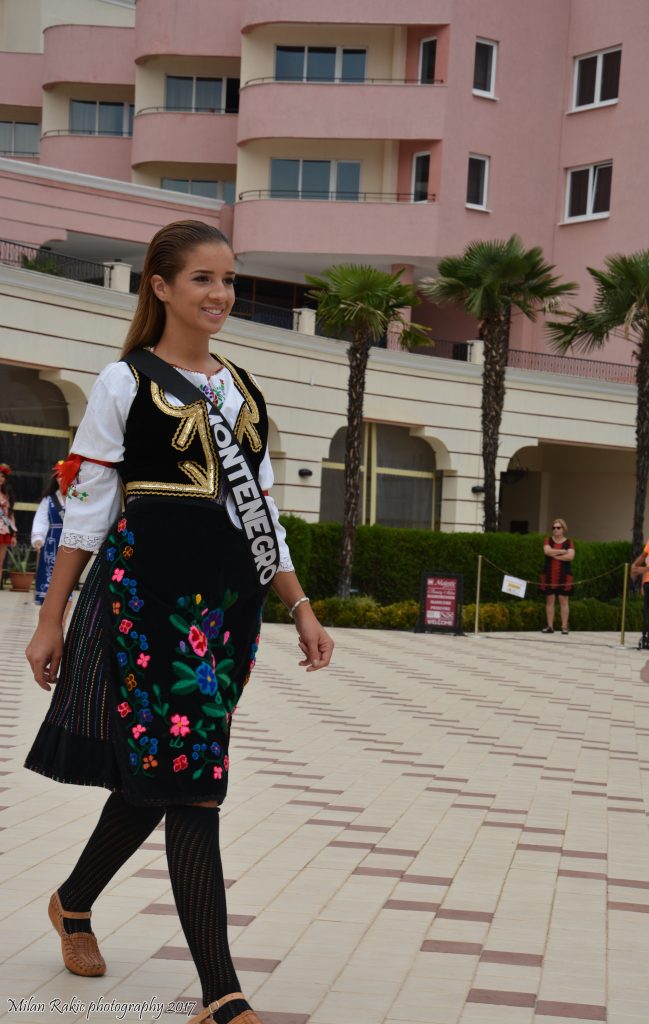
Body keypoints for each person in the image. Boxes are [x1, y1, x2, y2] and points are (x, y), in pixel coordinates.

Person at [24, 220, 334, 1024]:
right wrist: (51, 618)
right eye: (202, 278)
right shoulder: (123, 382)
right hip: (145, 607)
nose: (220, 294)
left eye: (228, 279)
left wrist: (298, 604)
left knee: (170, 774)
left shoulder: (243, 390)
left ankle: (73, 901)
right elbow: (86, 512)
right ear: (160, 286)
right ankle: (222, 996)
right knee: (192, 785)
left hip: (227, 614)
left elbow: (262, 512)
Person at [31, 474, 71, 614]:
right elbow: (40, 520)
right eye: (59, 477)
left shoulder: (78, 497)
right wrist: (38, 538)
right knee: (49, 575)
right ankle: (48, 617)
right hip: (52, 542)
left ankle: (63, 621)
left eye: (65, 476)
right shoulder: (49, 499)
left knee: (68, 578)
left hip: (70, 541)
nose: (62, 479)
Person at [540, 517, 575, 634]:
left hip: (564, 575)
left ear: (563, 529)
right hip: (549, 574)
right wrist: (562, 552)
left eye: (558, 528)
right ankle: (550, 626)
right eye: (554, 528)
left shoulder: (569, 542)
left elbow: (570, 557)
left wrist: (554, 555)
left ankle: (564, 627)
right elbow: (547, 551)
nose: (555, 530)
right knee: (550, 601)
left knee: (563, 600)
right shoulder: (548, 540)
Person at [0, 461, 17, 580]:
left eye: (2, 476)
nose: (0, 478)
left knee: (0, 563)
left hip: (4, 530)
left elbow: (10, 515)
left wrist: (13, 534)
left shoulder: (7, 495)